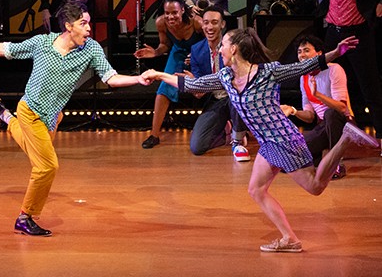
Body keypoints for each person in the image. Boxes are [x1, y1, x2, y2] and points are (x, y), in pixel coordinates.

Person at [142, 28, 379, 252]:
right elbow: (193, 84)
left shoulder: (268, 72)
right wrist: (159, 74)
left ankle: (345, 139)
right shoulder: (226, 76)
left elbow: (306, 65)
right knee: (256, 190)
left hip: (284, 139)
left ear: (234, 48)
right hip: (267, 143)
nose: (220, 49)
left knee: (315, 187)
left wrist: (336, 52)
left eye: (223, 45)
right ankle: (290, 239)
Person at [0, 3, 150, 236]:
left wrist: (137, 79)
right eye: (83, 24)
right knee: (46, 166)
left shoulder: (91, 49)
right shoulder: (42, 43)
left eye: (89, 24)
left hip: (53, 117)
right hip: (30, 112)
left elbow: (111, 78)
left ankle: (3, 113)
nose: (89, 29)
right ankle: (26, 217)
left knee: (32, 149)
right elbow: (6, 49)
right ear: (68, 26)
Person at [317, 0, 382, 150]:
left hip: (358, 32)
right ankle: (326, 134)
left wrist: (379, 2)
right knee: (324, 81)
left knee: (370, 86)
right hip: (334, 32)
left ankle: (381, 137)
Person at [134, 0, 203, 149]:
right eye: (167, 13)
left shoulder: (196, 23)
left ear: (183, 11)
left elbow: (210, 41)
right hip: (178, 52)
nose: (170, 17)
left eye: (174, 13)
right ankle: (154, 134)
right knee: (163, 88)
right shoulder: (161, 23)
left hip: (199, 53)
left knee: (203, 86)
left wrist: (197, 55)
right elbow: (164, 44)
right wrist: (156, 52)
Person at [281, 35, 353, 179]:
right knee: (288, 159)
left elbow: (341, 108)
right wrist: (293, 110)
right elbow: (310, 117)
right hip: (323, 127)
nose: (302, 55)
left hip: (343, 124)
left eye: (306, 50)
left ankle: (337, 164)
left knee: (330, 114)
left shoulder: (334, 69)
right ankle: (319, 159)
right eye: (300, 52)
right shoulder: (304, 78)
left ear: (319, 54)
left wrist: (318, 95)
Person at [188, 6, 249, 160]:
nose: (209, 27)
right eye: (206, 22)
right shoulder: (196, 50)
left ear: (222, 24)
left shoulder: (235, 46)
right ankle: (227, 133)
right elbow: (199, 93)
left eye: (214, 22)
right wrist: (194, 85)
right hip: (215, 101)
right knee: (197, 147)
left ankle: (238, 140)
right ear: (201, 24)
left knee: (236, 97)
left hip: (235, 98)